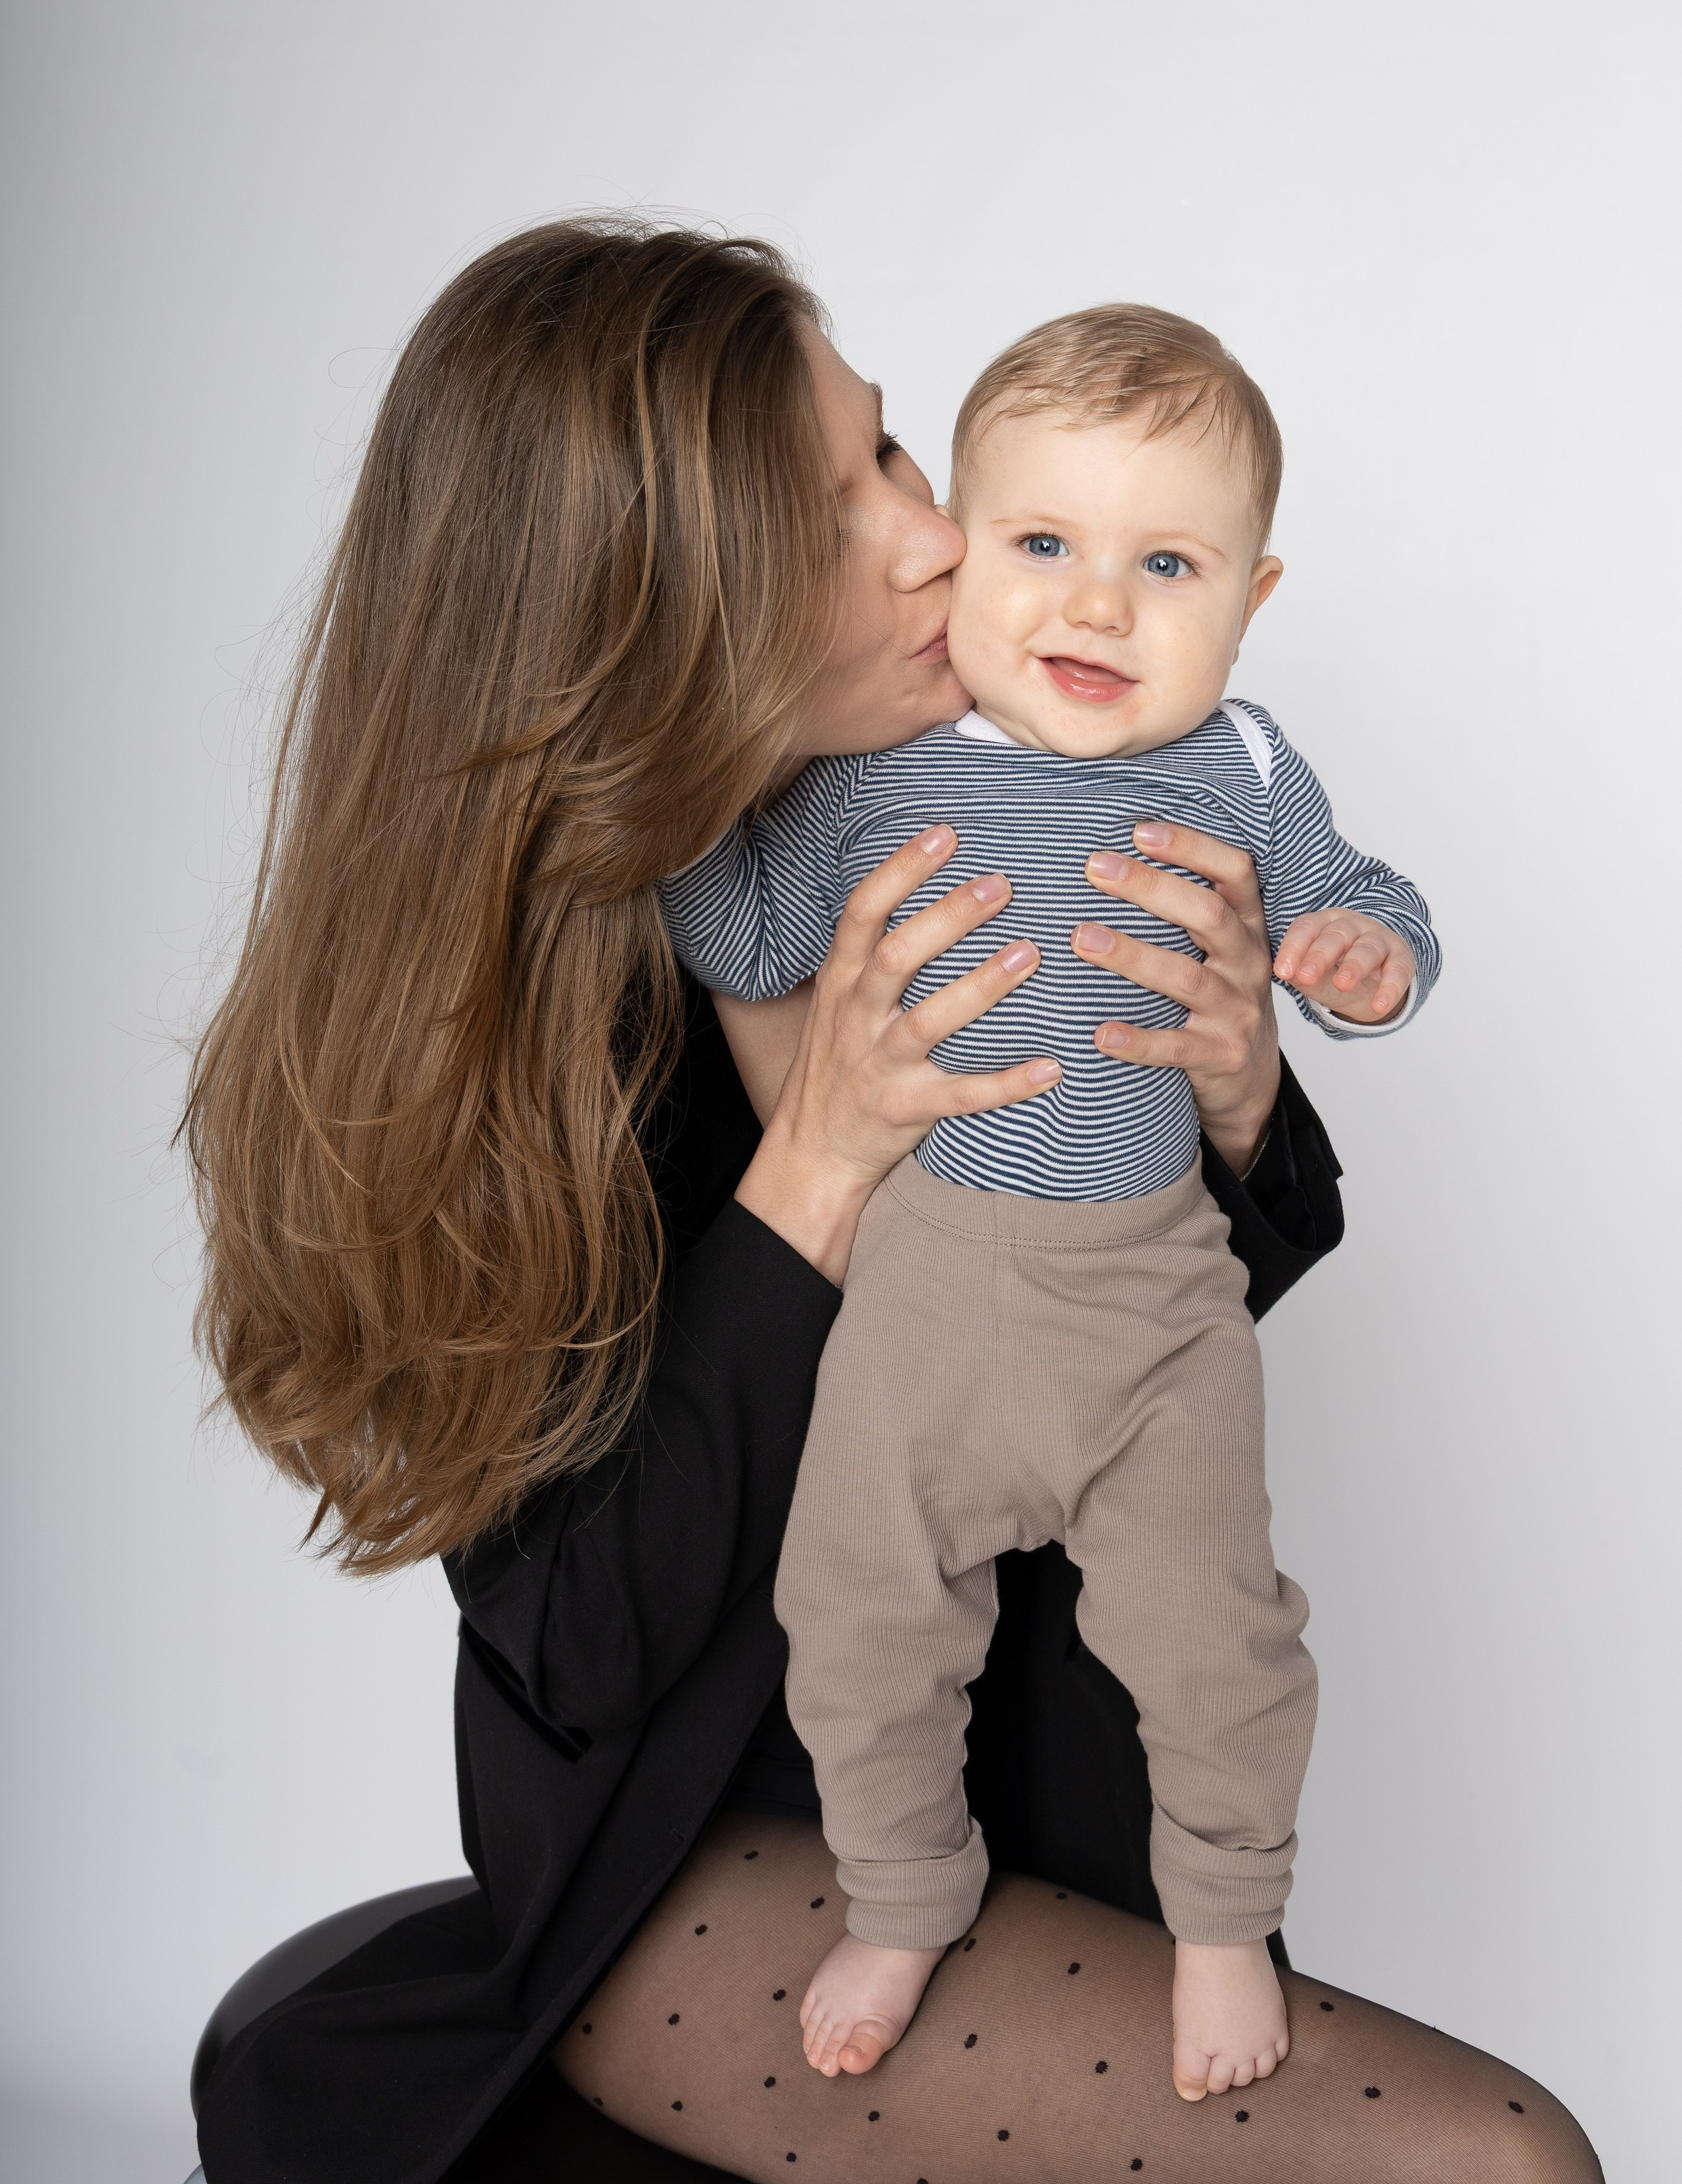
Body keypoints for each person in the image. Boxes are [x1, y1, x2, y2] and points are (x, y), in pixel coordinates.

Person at [185, 219, 1600, 2184]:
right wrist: (818, 1164)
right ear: (660, 608)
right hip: (697, 1859)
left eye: (891, 452)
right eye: (838, 499)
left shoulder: (1031, 796)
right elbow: (588, 1651)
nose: (937, 536)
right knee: (1490, 2160)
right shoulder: (546, 1017)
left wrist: (1239, 1096)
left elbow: (1155, 1296)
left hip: (1045, 1763)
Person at [656, 302, 1442, 2103]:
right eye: (1044, 547)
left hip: (1158, 1310)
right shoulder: (860, 780)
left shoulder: (1241, 770)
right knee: (855, 1618)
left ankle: (1226, 1918)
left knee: (1217, 1633)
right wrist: (690, 809)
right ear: (972, 564)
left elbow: (1362, 892)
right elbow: (751, 936)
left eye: (1165, 564)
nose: (1096, 607)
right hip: (924, 1294)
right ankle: (904, 1893)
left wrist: (1360, 952)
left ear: (1251, 598)